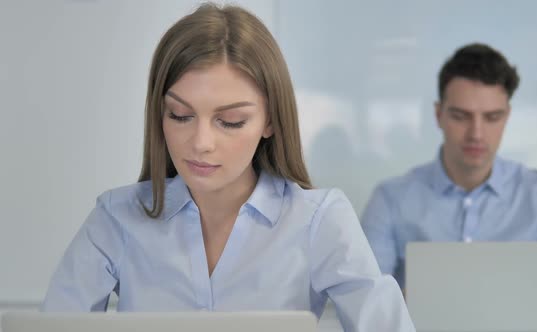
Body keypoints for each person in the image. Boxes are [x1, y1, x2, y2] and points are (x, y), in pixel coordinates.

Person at [41, 3, 414, 331]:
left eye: (231, 121)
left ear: (270, 122)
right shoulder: (116, 218)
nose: (201, 142)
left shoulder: (319, 219)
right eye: (180, 115)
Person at [361, 42, 537, 321]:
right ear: (438, 115)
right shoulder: (390, 199)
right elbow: (365, 298)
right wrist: (399, 302)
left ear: (507, 117)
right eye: (461, 116)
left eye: (492, 117)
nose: (476, 133)